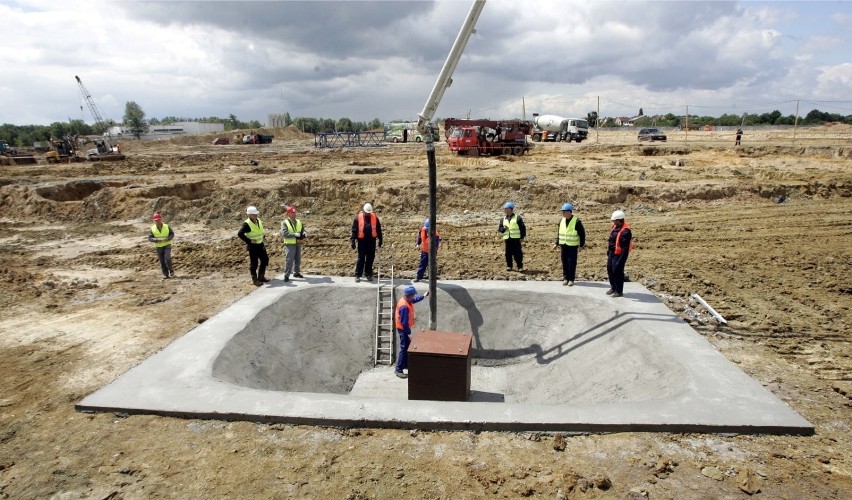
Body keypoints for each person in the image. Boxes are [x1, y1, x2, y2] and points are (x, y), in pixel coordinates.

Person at [394, 285, 429, 378]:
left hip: (402, 329)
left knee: (407, 346)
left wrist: (423, 296)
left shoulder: (406, 300)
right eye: (413, 295)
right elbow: (404, 322)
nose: (414, 296)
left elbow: (414, 300)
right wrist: (408, 331)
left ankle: (405, 365)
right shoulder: (404, 306)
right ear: (409, 295)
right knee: (404, 348)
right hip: (403, 329)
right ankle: (398, 369)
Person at [552, 203, 585, 286]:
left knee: (572, 262)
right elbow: (559, 233)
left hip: (572, 246)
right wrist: (556, 243)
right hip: (564, 245)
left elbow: (582, 234)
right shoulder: (561, 221)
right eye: (562, 211)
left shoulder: (577, 221)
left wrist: (581, 245)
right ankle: (566, 278)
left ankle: (571, 279)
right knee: (564, 262)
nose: (562, 213)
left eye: (564, 211)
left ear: (569, 212)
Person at [237, 205, 269, 286]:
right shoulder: (247, 224)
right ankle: (255, 280)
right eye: (254, 214)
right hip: (253, 247)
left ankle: (261, 277)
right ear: (250, 215)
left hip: (260, 244)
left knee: (265, 260)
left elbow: (260, 232)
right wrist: (249, 241)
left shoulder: (258, 221)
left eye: (256, 214)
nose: (256, 216)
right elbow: (240, 234)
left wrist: (264, 241)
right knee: (254, 263)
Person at [350, 202, 383, 282]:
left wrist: (380, 239)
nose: (368, 214)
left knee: (370, 258)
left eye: (369, 213)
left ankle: (368, 273)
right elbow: (354, 230)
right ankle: (358, 274)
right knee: (361, 258)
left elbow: (378, 229)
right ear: (363, 211)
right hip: (362, 241)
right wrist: (353, 240)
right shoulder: (357, 218)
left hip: (371, 241)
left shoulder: (375, 218)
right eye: (367, 213)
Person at [606, 210, 633, 298]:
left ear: (619, 220)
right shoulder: (615, 227)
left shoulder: (626, 231)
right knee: (610, 270)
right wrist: (609, 250)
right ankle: (613, 287)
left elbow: (625, 249)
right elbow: (612, 240)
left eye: (615, 221)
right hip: (612, 253)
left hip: (619, 255)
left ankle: (619, 291)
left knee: (617, 271)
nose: (613, 222)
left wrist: (621, 261)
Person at [497, 201, 526, 272]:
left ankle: (520, 266)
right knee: (508, 253)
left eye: (506, 208)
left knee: (517, 253)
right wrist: (504, 229)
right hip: (507, 239)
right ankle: (509, 266)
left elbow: (522, 228)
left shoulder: (517, 218)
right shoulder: (503, 219)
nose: (504, 210)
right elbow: (500, 229)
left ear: (510, 209)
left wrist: (522, 237)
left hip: (516, 239)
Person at [280, 205, 306, 282]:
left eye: (294, 213)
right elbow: (284, 234)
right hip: (290, 244)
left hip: (298, 243)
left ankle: (296, 273)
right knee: (289, 260)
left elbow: (302, 230)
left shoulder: (298, 222)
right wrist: (294, 234)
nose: (294, 214)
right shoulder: (284, 223)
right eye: (292, 213)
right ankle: (286, 275)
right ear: (288, 214)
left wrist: (304, 234)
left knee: (298, 259)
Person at [147, 212, 175, 279]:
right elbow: (150, 238)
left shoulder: (166, 226)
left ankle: (171, 270)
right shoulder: (152, 228)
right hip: (159, 247)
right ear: (154, 220)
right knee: (162, 261)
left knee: (167, 259)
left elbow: (172, 234)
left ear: (161, 219)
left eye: (158, 220)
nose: (157, 221)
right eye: (156, 220)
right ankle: (166, 275)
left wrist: (168, 238)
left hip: (167, 245)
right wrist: (156, 240)